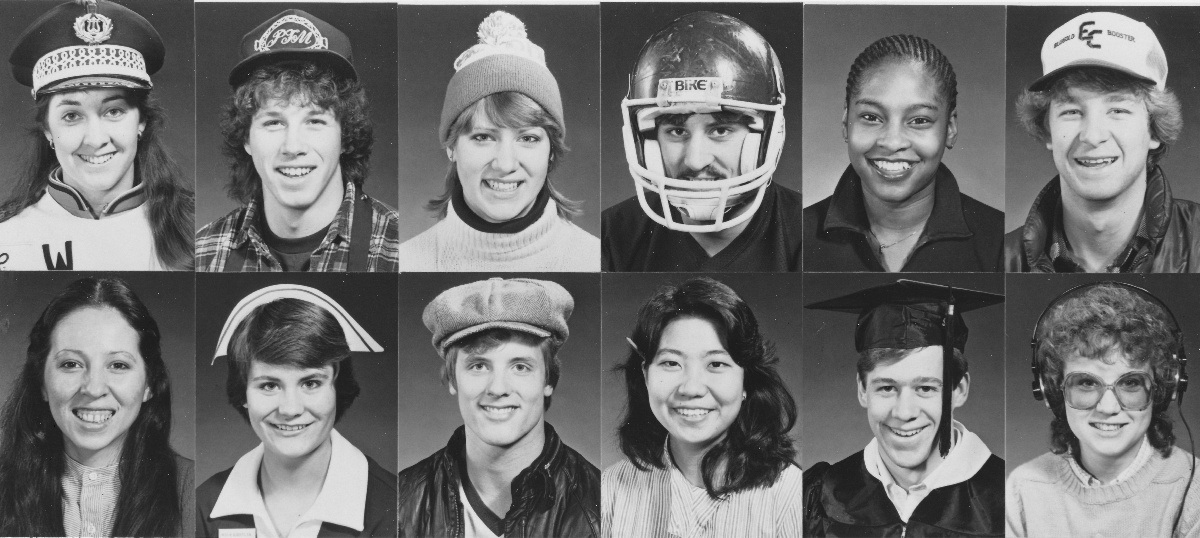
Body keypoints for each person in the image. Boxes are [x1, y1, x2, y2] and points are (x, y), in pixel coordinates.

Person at [195, 10, 400, 272]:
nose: (293, 147)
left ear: (346, 136)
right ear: (246, 138)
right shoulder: (203, 252)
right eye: (273, 123)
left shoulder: (399, 248)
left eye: (314, 121)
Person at [397, 11, 599, 272]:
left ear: (551, 151)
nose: (505, 164)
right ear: (451, 147)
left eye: (528, 138)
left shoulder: (594, 260)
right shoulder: (406, 262)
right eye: (483, 137)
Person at [0, 0, 194, 271]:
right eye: (71, 116)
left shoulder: (196, 232)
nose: (95, 139)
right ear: (47, 129)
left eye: (113, 111)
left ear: (142, 121)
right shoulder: (6, 239)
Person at [398, 278, 600, 537]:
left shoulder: (602, 509)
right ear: (452, 379)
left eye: (520, 367)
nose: (497, 388)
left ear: (548, 379)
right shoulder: (402, 500)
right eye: (478, 366)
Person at [601, 12, 802, 272]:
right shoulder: (611, 234)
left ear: (765, 137)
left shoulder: (804, 232)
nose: (696, 161)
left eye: (720, 130)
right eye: (676, 131)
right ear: (649, 139)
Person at [603, 277, 802, 538]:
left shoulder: (791, 495)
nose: (691, 388)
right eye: (671, 363)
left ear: (746, 381)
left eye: (716, 364)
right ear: (645, 374)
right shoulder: (610, 488)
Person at [804, 280, 1005, 537]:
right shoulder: (822, 495)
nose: (904, 412)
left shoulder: (1010, 498)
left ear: (959, 390)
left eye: (925, 388)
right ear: (862, 389)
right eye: (887, 388)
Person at [197, 284, 397, 537]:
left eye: (310, 383)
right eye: (269, 385)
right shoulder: (204, 506)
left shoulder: (394, 506)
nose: (290, 409)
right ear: (243, 392)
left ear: (337, 386)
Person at [1006, 12, 1200, 272]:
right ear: (1048, 131)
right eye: (1072, 111)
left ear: (1153, 129)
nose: (1092, 135)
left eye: (1118, 110)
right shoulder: (1002, 258)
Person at [0, 277, 193, 536]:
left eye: (118, 365)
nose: (93, 388)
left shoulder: (192, 491)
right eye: (71, 364)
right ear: (42, 382)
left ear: (149, 384)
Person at [1007, 282, 1200, 537]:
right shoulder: (1023, 488)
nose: (1108, 408)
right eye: (1086, 383)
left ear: (1162, 390)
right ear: (1053, 391)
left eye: (1131, 383)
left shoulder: (1194, 491)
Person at [803, 35, 1004, 272]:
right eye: (871, 117)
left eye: (919, 120)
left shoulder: (1000, 243)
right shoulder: (798, 237)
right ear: (846, 123)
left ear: (950, 129)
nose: (892, 141)